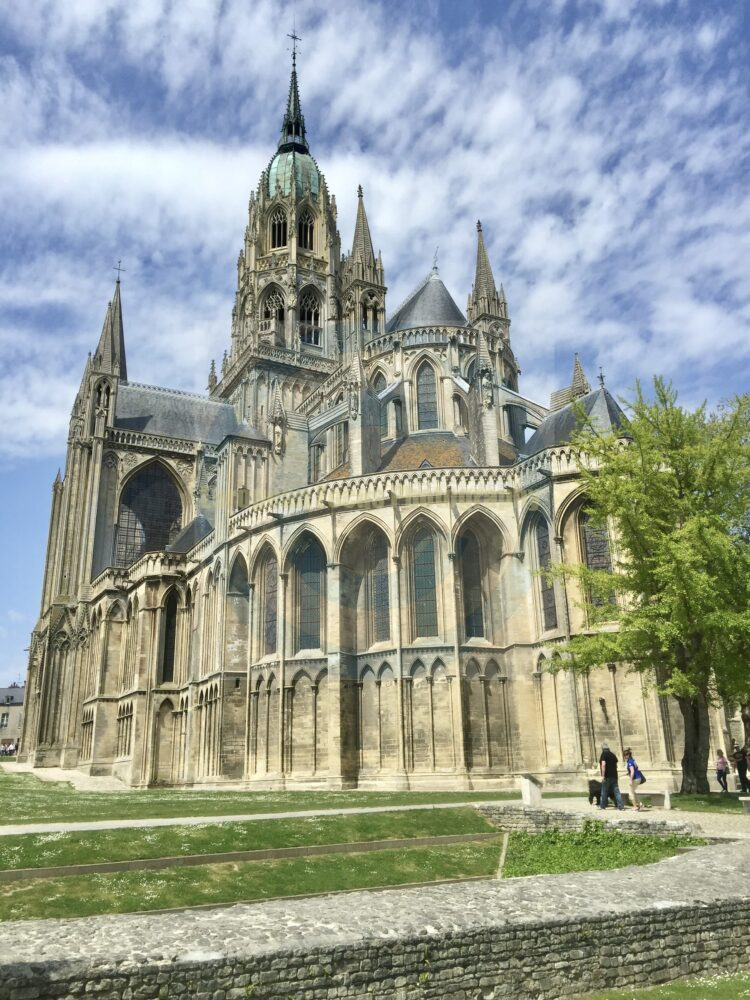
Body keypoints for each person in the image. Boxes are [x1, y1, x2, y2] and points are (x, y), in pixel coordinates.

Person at [599, 741, 625, 810]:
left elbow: (603, 764)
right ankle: (621, 806)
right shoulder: (613, 755)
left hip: (607, 776)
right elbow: (615, 764)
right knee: (617, 791)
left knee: (604, 791)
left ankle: (602, 806)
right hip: (614, 776)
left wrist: (603, 775)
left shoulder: (603, 754)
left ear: (602, 749)